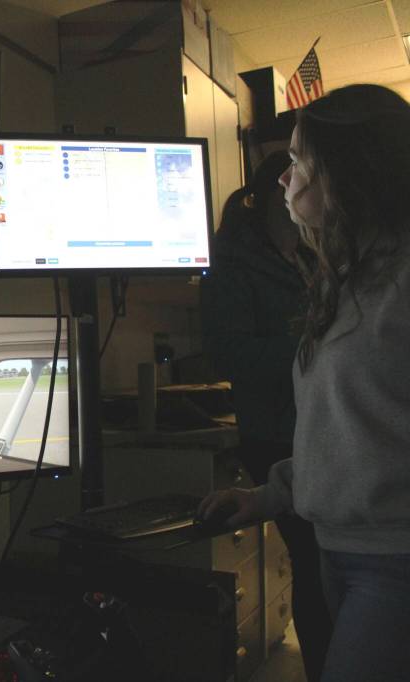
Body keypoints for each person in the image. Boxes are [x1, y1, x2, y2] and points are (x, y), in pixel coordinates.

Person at [199, 83, 410, 682]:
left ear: (346, 172)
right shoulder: (346, 280)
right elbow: (349, 433)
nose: (285, 181)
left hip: (394, 559)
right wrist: (267, 496)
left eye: (297, 161)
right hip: (342, 550)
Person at [200, 150, 332, 682]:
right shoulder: (234, 261)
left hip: (311, 425)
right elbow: (227, 353)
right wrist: (314, 349)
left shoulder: (302, 255)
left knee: (322, 564)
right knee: (314, 563)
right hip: (275, 432)